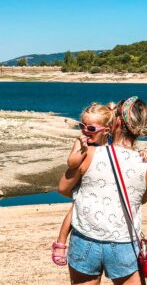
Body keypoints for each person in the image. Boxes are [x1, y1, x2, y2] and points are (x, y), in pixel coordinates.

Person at [58, 96, 147, 285]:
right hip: (123, 241)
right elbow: (142, 199)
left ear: (115, 122)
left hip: (85, 238)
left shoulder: (90, 153)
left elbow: (63, 188)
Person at [52, 102, 114, 266]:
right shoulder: (80, 142)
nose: (85, 131)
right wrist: (83, 150)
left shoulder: (111, 146)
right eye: (82, 126)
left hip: (99, 187)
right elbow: (71, 163)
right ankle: (61, 241)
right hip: (82, 185)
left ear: (106, 131)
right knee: (74, 209)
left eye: (91, 129)